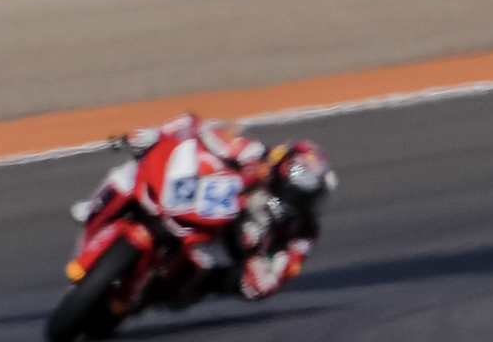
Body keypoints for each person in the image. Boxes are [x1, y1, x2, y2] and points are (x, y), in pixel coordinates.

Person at [72, 113, 336, 301]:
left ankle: (168, 287)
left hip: (227, 246)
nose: (302, 204)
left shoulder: (304, 230)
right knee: (131, 173)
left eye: (309, 199)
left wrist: (262, 271)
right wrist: (160, 134)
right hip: (199, 201)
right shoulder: (257, 156)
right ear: (279, 174)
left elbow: (282, 270)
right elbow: (202, 130)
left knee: (222, 273)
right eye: (297, 195)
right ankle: (96, 209)